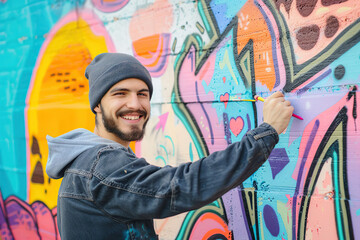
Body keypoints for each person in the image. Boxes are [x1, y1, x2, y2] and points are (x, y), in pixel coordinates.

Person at [46, 52, 294, 239]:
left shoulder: (86, 160)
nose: (135, 104)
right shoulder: (102, 166)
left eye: (142, 94)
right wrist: (267, 132)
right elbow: (181, 186)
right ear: (97, 105)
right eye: (120, 93)